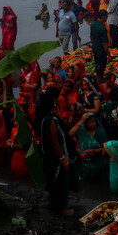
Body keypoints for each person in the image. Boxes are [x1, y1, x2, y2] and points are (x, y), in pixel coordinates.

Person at [39, 88, 80, 217]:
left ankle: (54, 204)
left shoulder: (45, 117)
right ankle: (62, 208)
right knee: (60, 183)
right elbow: (55, 142)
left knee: (53, 181)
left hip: (48, 157)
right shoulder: (51, 120)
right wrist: (63, 159)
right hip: (55, 158)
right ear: (53, 101)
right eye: (57, 98)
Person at [70, 113, 108, 180]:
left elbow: (105, 147)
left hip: (99, 162)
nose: (93, 124)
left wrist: (90, 152)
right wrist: (81, 121)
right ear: (86, 124)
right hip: (87, 164)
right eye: (90, 122)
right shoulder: (82, 131)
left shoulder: (100, 131)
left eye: (94, 121)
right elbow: (71, 134)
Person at [90, 10, 110, 82]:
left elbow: (91, 36)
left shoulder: (93, 24)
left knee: (97, 64)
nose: (107, 18)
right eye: (106, 17)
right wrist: (109, 54)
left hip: (95, 48)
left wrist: (93, 45)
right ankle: (99, 81)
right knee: (101, 66)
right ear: (103, 17)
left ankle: (98, 78)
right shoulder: (102, 28)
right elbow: (104, 43)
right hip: (101, 50)